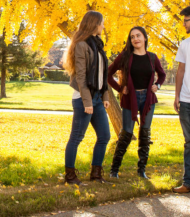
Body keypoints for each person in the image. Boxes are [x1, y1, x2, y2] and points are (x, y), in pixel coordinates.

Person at [108, 27, 165, 179]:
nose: (135, 39)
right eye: (132, 36)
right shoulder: (125, 57)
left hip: (148, 99)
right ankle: (114, 170)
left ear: (145, 38)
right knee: (126, 132)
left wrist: (157, 85)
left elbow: (162, 74)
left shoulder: (152, 57)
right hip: (130, 98)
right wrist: (120, 88)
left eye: (138, 36)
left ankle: (141, 170)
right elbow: (108, 73)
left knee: (145, 133)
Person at [63, 10, 111, 186]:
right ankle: (70, 176)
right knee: (76, 137)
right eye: (102, 23)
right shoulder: (82, 45)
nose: (103, 26)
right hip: (84, 98)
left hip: (97, 98)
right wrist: (87, 102)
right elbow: (81, 77)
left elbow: (102, 74)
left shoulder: (98, 45)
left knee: (104, 136)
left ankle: (96, 174)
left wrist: (104, 95)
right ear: (94, 24)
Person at [173, 6, 190, 193]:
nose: (184, 23)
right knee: (189, 142)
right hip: (186, 101)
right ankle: (188, 183)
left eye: (186, 20)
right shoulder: (185, 44)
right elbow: (181, 71)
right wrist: (177, 96)